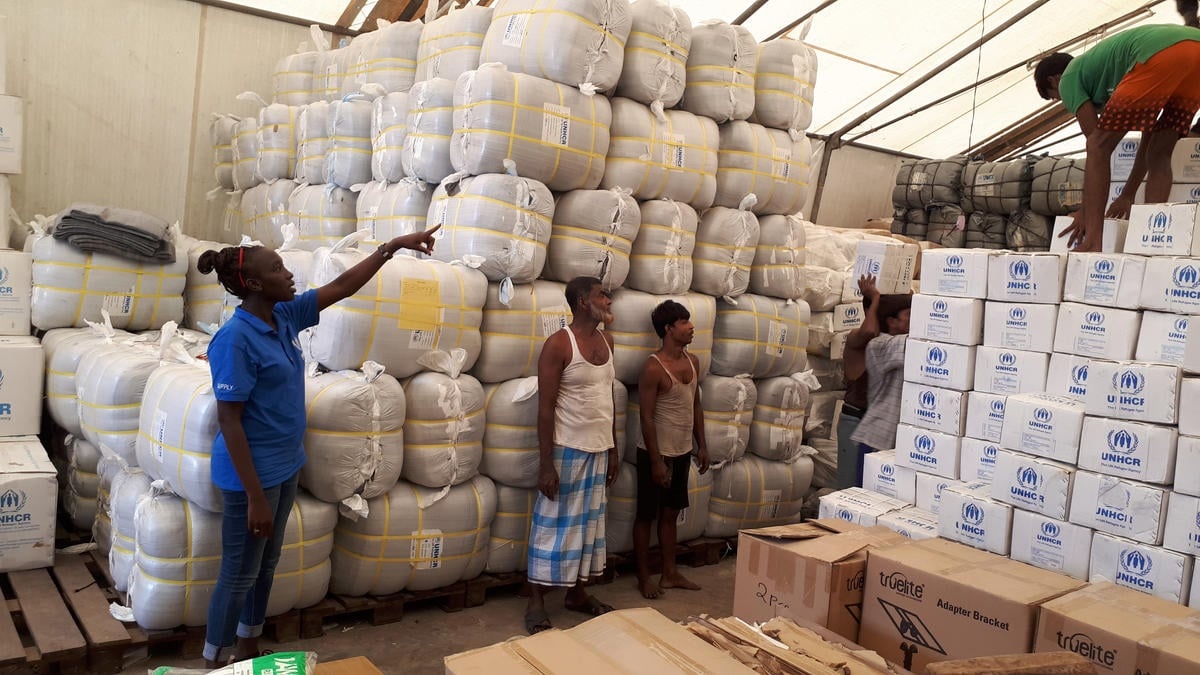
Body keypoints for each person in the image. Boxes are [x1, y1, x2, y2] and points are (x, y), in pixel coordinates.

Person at [200, 227, 439, 668]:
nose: (289, 273)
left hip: (285, 466)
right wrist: (254, 497)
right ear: (252, 283)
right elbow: (229, 421)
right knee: (238, 572)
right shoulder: (235, 340)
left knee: (266, 564)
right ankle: (216, 660)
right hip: (249, 477)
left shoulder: (283, 316)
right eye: (276, 268)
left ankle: (248, 647)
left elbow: (342, 286)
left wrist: (391, 248)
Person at [1034, 24, 1200, 251]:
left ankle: (1093, 242)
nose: (1063, 102)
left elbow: (1098, 149)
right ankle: (1154, 242)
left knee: (1096, 145)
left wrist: (1086, 211)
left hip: (1159, 53)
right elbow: (1147, 141)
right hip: (1194, 52)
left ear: (1053, 81)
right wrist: (1127, 195)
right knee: (1159, 153)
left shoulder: (1069, 78)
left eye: (1054, 97)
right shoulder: (1111, 71)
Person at [524, 276, 619, 634]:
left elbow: (607, 401)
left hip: (597, 449)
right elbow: (545, 408)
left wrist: (613, 449)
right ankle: (535, 601)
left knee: (589, 527)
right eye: (602, 295)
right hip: (567, 449)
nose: (608, 301)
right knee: (551, 525)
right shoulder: (559, 345)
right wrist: (546, 464)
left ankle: (577, 594)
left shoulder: (607, 342)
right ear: (582, 302)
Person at [633, 300, 709, 600]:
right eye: (683, 322)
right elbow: (646, 417)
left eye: (689, 321)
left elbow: (696, 405)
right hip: (657, 454)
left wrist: (702, 445)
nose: (691, 327)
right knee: (646, 515)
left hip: (681, 452)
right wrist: (655, 462)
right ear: (668, 329)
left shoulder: (694, 362)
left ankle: (670, 573)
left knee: (671, 513)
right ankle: (643, 577)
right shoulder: (654, 367)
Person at [849, 277, 911, 475]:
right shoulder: (880, 345)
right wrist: (875, 299)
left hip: (887, 434)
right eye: (909, 314)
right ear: (891, 322)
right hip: (871, 431)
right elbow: (869, 331)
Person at [836, 277, 879, 489]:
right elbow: (869, 330)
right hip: (854, 421)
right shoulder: (856, 339)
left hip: (873, 425)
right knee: (849, 486)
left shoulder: (887, 346)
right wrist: (875, 298)